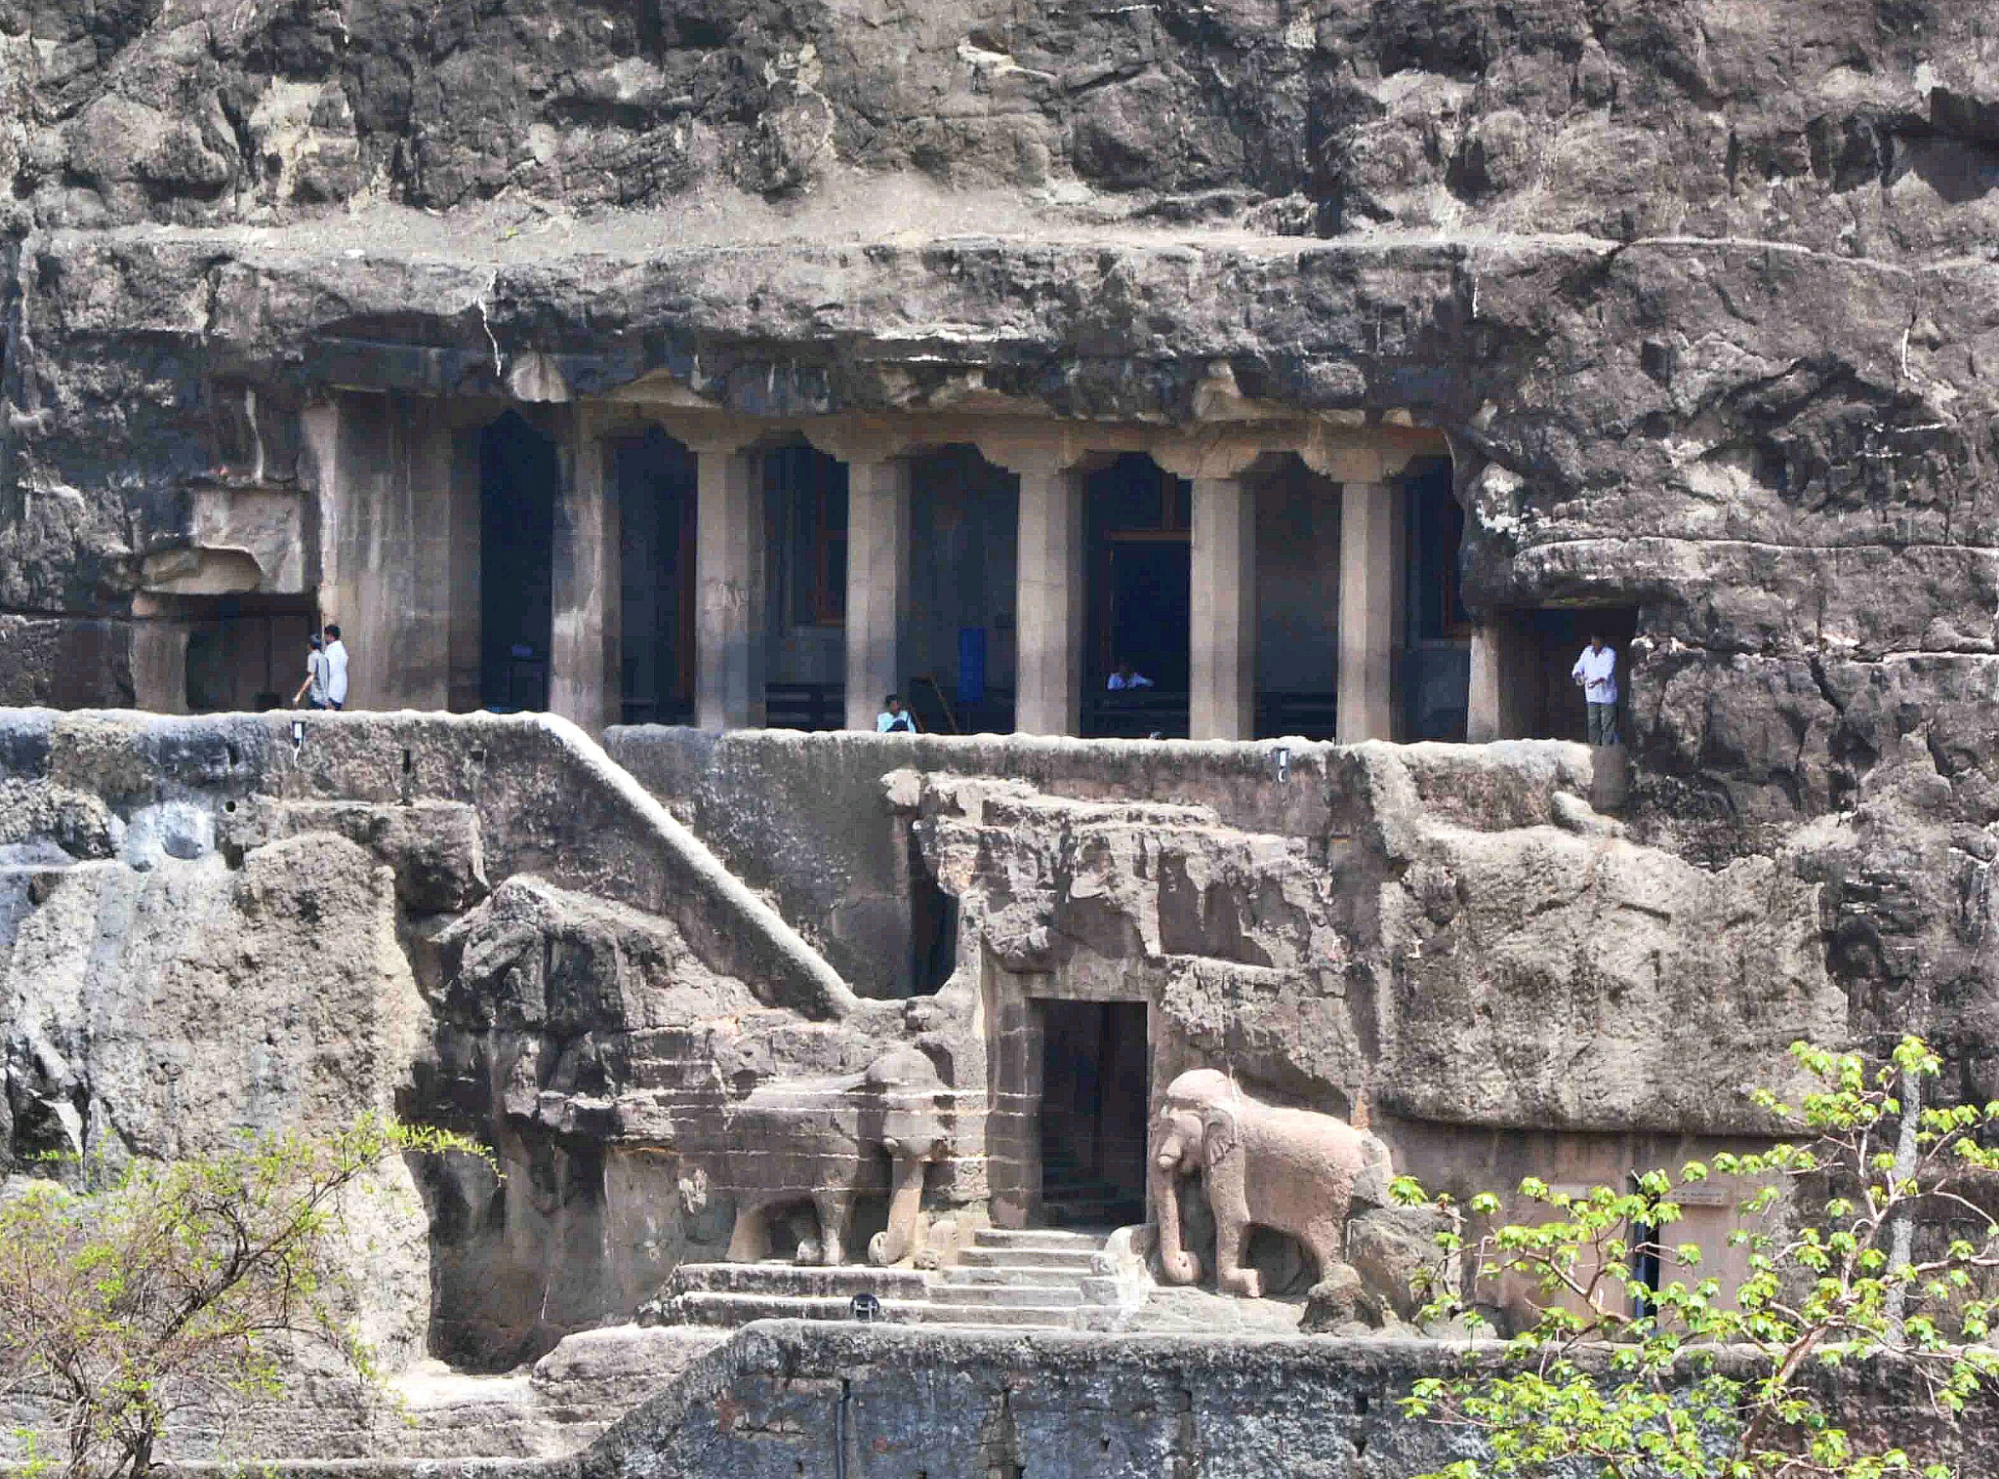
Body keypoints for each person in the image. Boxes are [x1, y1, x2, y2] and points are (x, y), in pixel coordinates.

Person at [1571, 631, 1618, 745]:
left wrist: (1595, 682)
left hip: (1607, 695)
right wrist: (1578, 675)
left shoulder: (1610, 653)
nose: (1594, 643)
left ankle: (1607, 750)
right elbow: (1578, 666)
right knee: (1593, 723)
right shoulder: (1587, 652)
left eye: (1597, 641)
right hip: (1591, 695)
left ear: (1603, 642)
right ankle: (1594, 748)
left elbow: (1607, 673)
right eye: (1593, 641)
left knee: (1607, 724)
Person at [291, 635, 330, 709]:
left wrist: (299, 695)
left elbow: (311, 677)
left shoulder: (312, 657)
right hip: (324, 698)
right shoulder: (324, 658)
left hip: (315, 697)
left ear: (309, 645)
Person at [322, 623, 350, 711]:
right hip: (338, 691)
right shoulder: (340, 649)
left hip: (332, 692)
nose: (325, 639)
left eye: (325, 636)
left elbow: (328, 670)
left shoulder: (333, 651)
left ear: (330, 636)